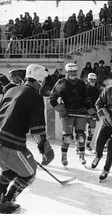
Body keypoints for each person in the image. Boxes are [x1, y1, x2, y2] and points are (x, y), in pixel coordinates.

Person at [0, 64, 54, 214]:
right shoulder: (34, 96)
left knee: (10, 171)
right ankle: (6, 202)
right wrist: (44, 148)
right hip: (11, 144)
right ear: (40, 79)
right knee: (29, 173)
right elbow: (37, 131)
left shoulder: (11, 90)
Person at [49, 63, 96, 166]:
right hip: (67, 114)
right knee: (67, 137)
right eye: (71, 71)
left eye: (75, 71)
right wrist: (60, 109)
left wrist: (92, 112)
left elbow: (87, 100)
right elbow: (52, 99)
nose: (73, 73)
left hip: (81, 112)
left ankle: (81, 156)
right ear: (66, 72)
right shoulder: (60, 83)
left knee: (81, 136)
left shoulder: (81, 84)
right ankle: (64, 156)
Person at [85, 73, 101, 151]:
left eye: (94, 80)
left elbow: (98, 101)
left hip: (93, 111)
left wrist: (97, 112)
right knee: (80, 129)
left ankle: (88, 143)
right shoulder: (83, 88)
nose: (92, 81)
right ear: (88, 79)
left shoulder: (96, 89)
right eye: (91, 80)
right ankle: (79, 145)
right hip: (83, 111)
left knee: (92, 128)